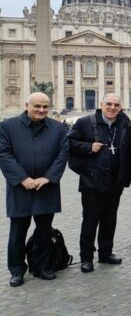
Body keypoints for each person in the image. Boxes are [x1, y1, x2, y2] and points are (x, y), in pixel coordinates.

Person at [0, 93, 69, 287]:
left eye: (45, 107)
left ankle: (41, 266)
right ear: (26, 105)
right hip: (20, 187)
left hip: (46, 186)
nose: (41, 110)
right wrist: (23, 178)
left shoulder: (58, 127)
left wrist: (48, 177)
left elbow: (62, 155)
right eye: (37, 106)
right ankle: (16, 270)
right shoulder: (8, 126)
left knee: (44, 231)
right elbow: (4, 154)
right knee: (17, 232)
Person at [68, 94, 131, 273]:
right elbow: (70, 143)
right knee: (90, 221)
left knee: (109, 220)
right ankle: (86, 258)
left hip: (115, 182)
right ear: (101, 105)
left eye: (116, 105)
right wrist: (88, 148)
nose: (112, 108)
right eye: (109, 104)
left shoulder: (125, 124)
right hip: (92, 182)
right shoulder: (85, 123)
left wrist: (125, 176)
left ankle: (106, 253)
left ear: (121, 107)